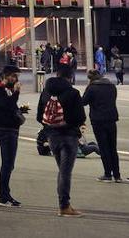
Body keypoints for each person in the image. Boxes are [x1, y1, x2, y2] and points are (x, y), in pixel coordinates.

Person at [37, 63, 86, 217]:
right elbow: (80, 117)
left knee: (62, 171)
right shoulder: (73, 93)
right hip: (68, 137)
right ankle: (64, 206)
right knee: (65, 172)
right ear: (70, 77)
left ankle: (64, 204)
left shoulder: (45, 92)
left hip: (52, 137)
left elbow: (40, 116)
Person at [0, 66, 26, 207]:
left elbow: (9, 107)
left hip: (9, 130)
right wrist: (16, 93)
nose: (16, 80)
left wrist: (19, 111)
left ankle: (5, 195)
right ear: (5, 76)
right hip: (5, 131)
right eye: (13, 76)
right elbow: (7, 105)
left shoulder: (4, 91)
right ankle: (3, 196)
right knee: (7, 164)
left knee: (9, 164)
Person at [81, 68, 121, 183]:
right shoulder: (111, 86)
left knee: (104, 147)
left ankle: (108, 174)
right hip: (111, 118)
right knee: (113, 147)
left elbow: (83, 102)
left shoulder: (92, 88)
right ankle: (117, 175)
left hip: (98, 120)